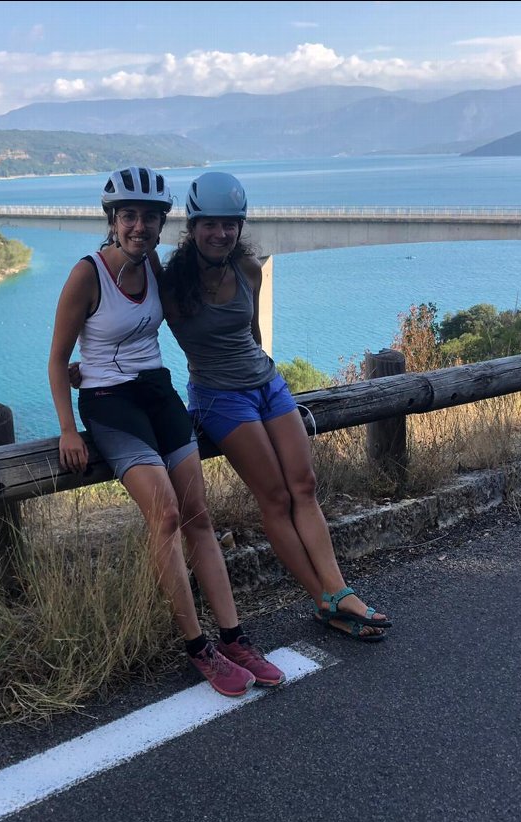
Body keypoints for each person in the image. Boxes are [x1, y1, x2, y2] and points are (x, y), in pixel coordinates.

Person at [48, 166, 284, 696]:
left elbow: (196, 313)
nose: (139, 226)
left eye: (150, 218)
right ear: (112, 221)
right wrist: (68, 428)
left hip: (158, 392)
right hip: (110, 405)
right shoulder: (86, 274)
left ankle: (234, 637)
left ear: (161, 226)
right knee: (168, 514)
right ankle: (197, 646)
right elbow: (58, 360)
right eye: (129, 216)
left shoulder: (155, 265)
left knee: (199, 514)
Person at [161, 171, 392, 641]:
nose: (221, 233)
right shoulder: (171, 284)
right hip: (219, 399)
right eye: (211, 224)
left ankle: (338, 589)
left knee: (304, 487)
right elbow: (127, 325)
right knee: (276, 497)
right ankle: (325, 600)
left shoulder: (247, 269)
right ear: (193, 225)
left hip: (268, 384)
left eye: (231, 224)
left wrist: (264, 374)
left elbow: (253, 336)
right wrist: (92, 368)